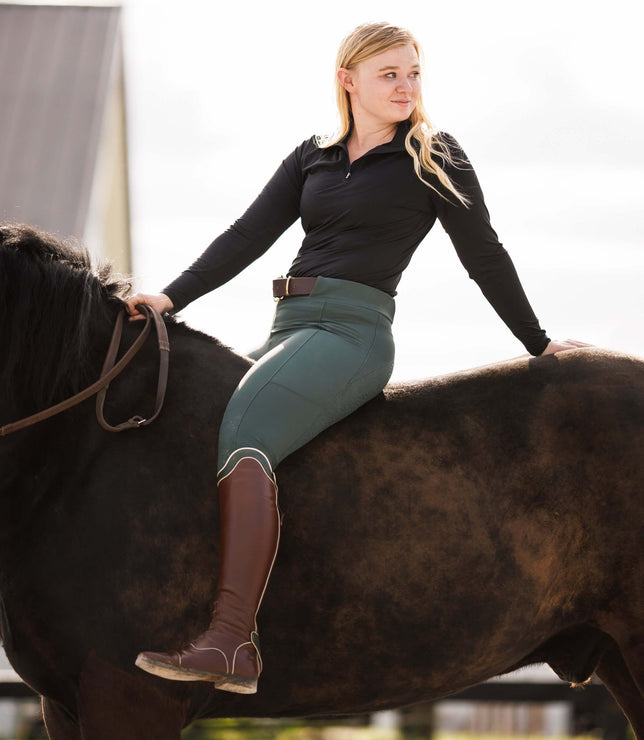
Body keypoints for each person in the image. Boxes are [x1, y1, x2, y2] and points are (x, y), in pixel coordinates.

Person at [125, 22, 588, 695]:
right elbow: (247, 236)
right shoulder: (312, 156)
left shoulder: (434, 154)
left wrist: (537, 342)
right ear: (349, 81)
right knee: (196, 426)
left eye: (413, 74)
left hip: (353, 336)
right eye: (389, 74)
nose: (405, 87)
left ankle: (232, 643)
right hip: (288, 325)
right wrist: (170, 298)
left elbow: (482, 254)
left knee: (245, 432)